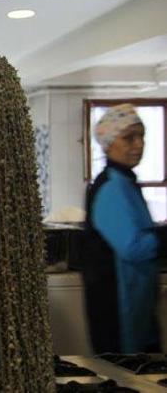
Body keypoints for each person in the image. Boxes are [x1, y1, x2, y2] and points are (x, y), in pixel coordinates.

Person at [83, 103, 164, 354]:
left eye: (142, 136)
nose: (138, 144)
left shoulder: (126, 183)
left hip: (137, 306)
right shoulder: (110, 187)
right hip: (119, 311)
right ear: (108, 143)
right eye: (129, 138)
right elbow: (133, 247)